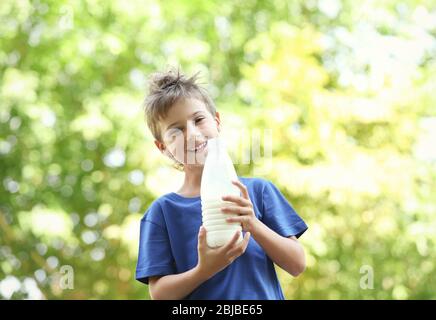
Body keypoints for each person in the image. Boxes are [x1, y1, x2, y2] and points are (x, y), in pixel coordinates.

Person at [136, 67, 308, 300]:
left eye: (198, 119)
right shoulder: (162, 213)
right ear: (162, 147)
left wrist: (252, 223)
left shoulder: (258, 192)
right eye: (176, 130)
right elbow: (159, 294)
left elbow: (297, 264)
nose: (192, 134)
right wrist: (203, 271)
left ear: (216, 121)